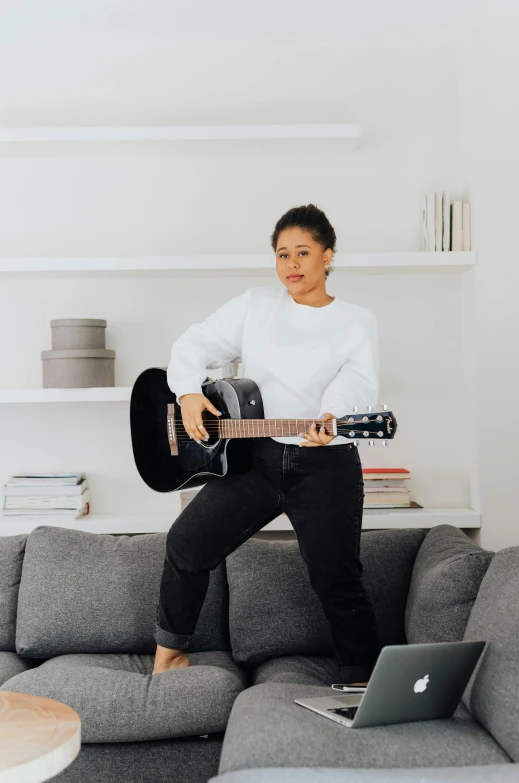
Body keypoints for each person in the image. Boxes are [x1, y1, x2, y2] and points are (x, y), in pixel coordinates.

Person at [152, 203, 380, 686]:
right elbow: (193, 344)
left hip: (326, 464)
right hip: (253, 459)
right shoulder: (255, 305)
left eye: (303, 253)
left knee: (337, 580)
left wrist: (330, 421)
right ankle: (169, 657)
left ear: (328, 256)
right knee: (187, 542)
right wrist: (189, 391)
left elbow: (357, 385)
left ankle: (362, 683)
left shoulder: (357, 321)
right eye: (282, 255)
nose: (291, 265)